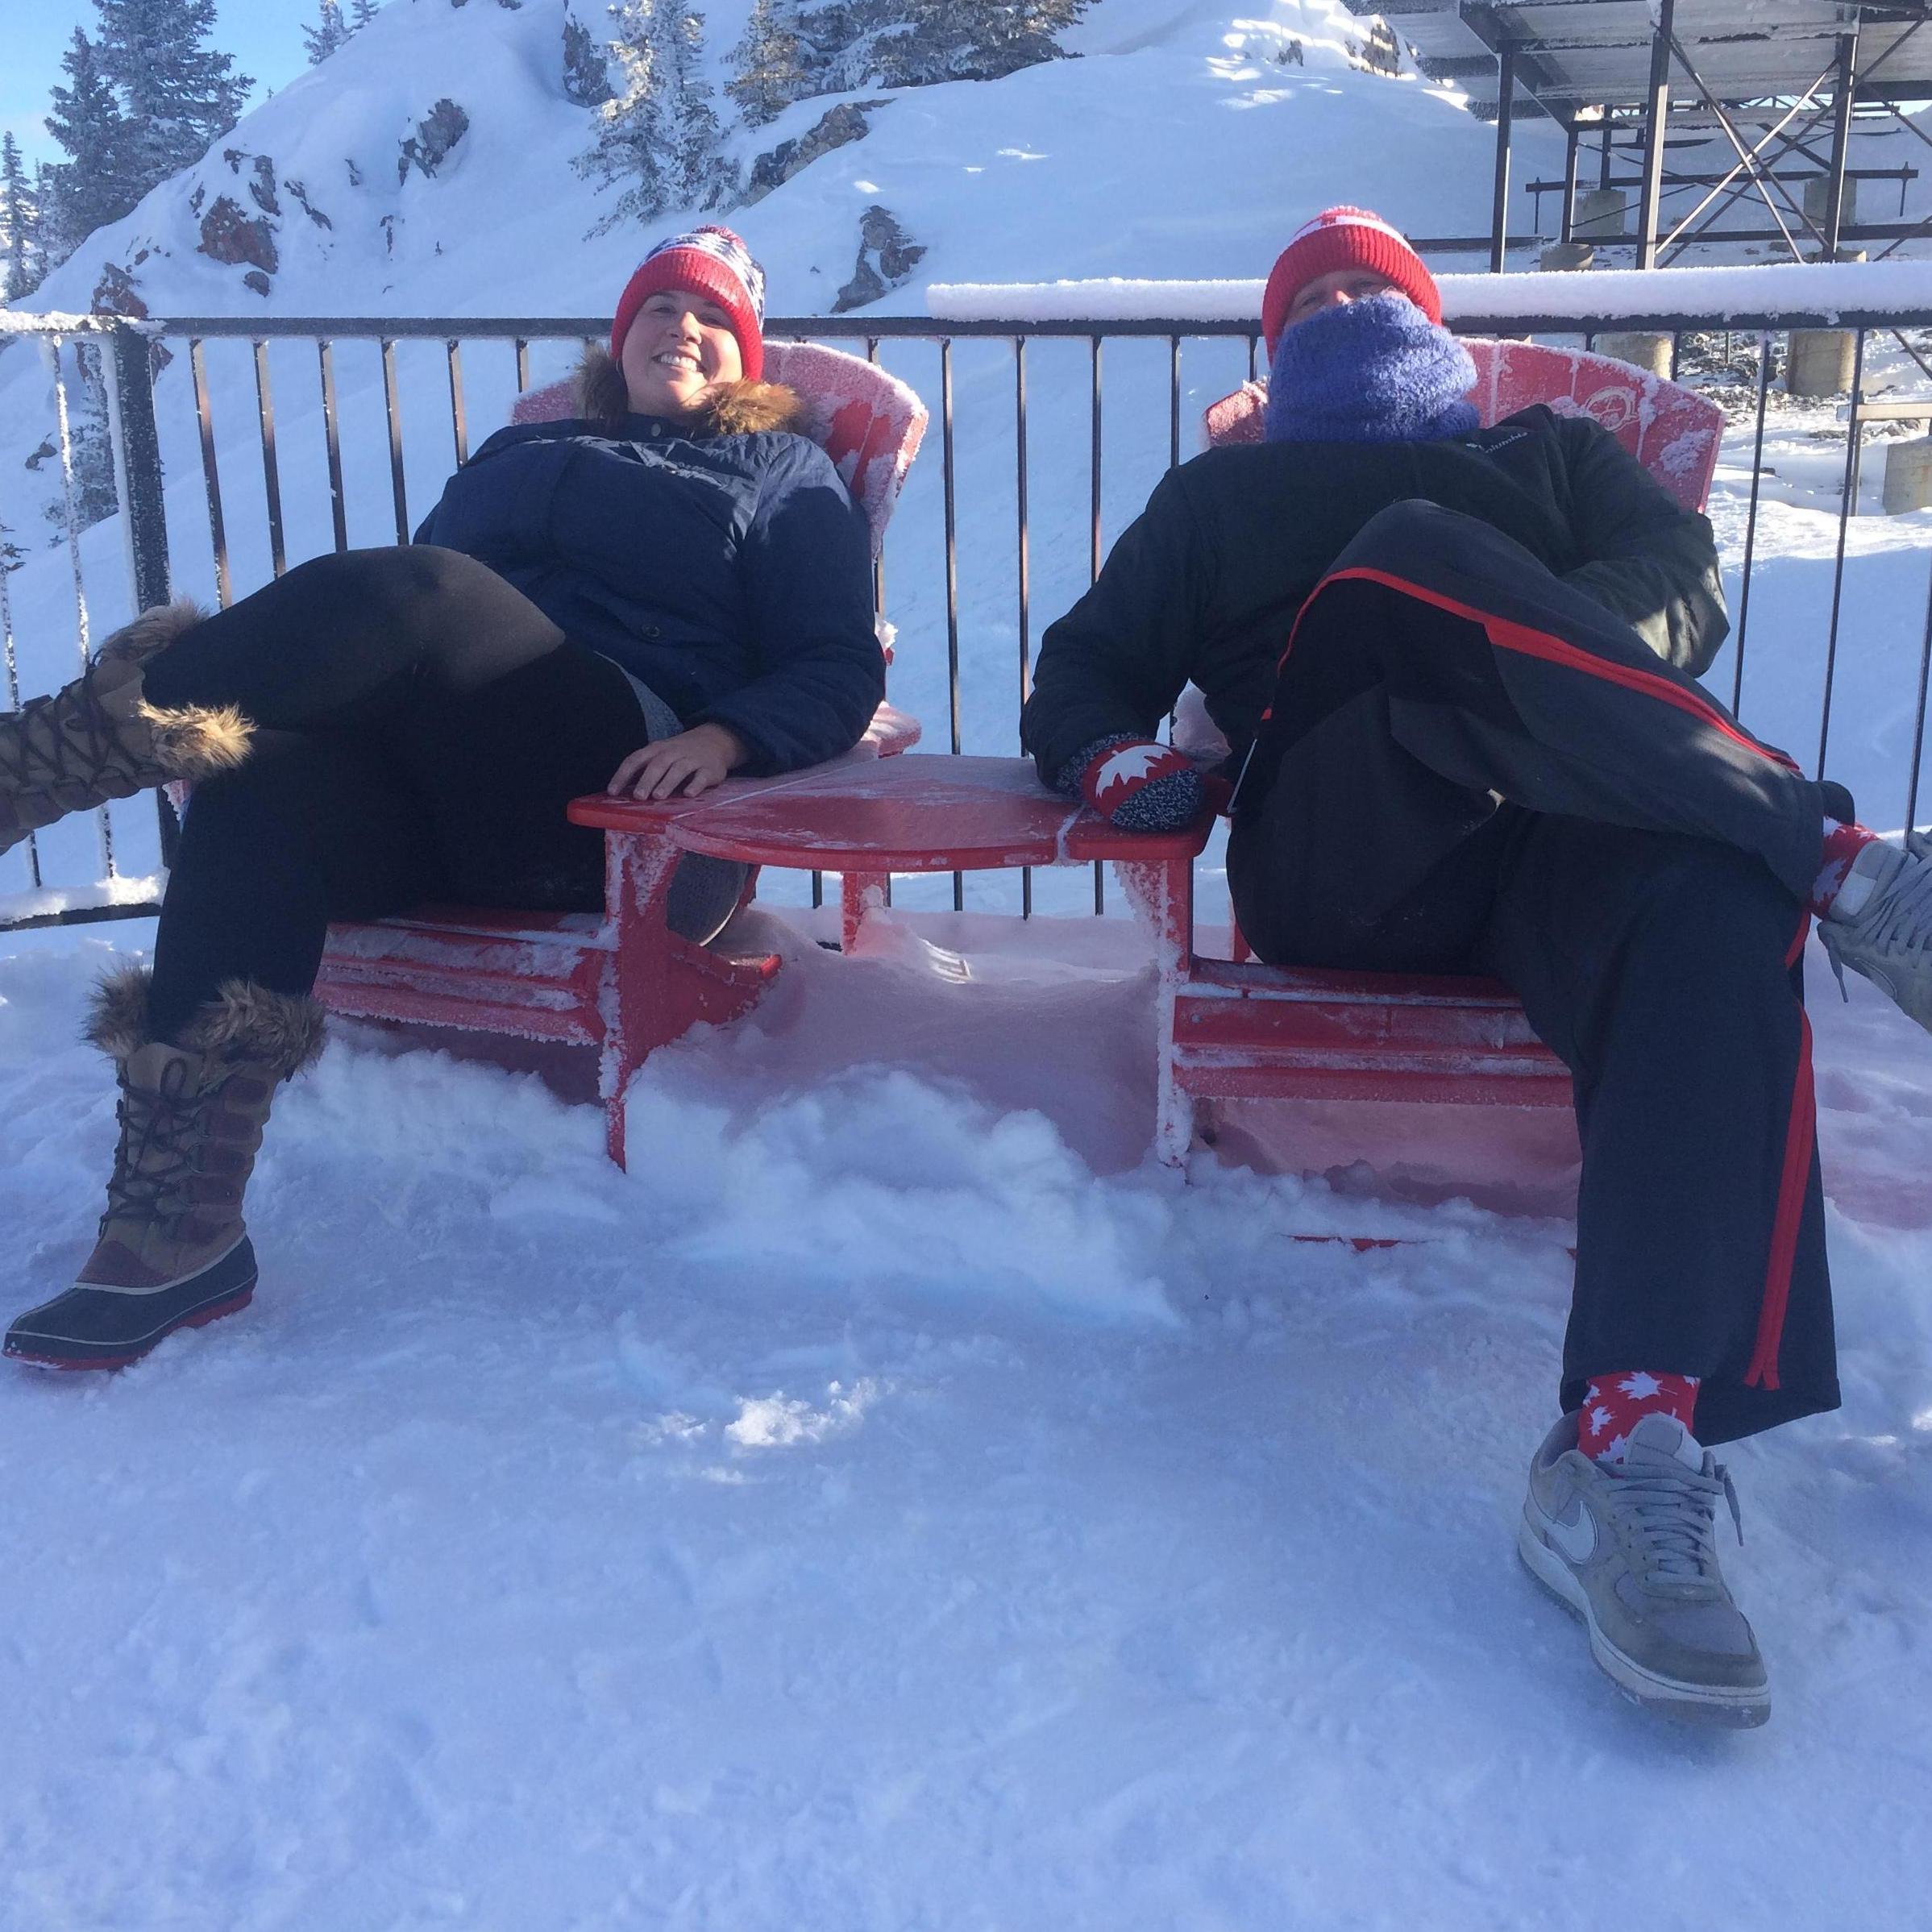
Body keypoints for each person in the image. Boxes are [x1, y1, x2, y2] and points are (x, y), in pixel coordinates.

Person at [1021, 206, 1932, 1728]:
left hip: (1557, 836)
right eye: (1312, 294)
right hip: (1344, 843)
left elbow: (1684, 588)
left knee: (1708, 895)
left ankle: (1629, 1445)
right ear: (1275, 345)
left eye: (1370, 284)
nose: (1343, 300)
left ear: (1431, 320)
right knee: (1402, 565)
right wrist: (1110, 755)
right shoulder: (1221, 491)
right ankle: (1835, 855)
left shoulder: (1551, 455)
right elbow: (1083, 664)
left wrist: (1520, 650)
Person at [1, 225, 883, 1373]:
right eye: (661, 308)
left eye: (714, 318)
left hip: (630, 800)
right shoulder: (527, 448)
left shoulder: (782, 473)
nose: (683, 328)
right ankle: (174, 1229)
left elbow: (838, 663)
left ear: (748, 359)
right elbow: (381, 650)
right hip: (450, 801)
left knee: (423, 587)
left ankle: (31, 763)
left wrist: (727, 735)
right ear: (620, 338)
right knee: (263, 780)